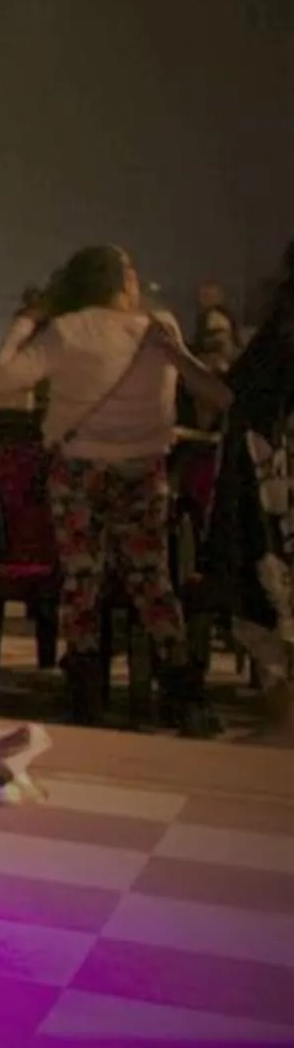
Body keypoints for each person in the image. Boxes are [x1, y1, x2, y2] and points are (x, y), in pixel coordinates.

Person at [0, 244, 233, 733]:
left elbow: (1, 375)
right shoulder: (158, 329)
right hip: (143, 471)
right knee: (152, 580)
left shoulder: (66, 330)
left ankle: (85, 689)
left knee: (82, 580)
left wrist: (27, 320)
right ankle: (182, 689)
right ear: (121, 283)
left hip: (79, 470)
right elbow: (218, 396)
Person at [205, 242, 293, 725]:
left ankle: (282, 692)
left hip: (274, 488)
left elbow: (234, 394)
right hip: (276, 480)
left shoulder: (278, 335)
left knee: (276, 593)